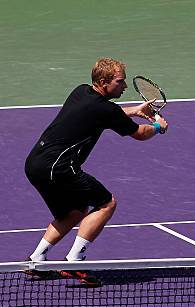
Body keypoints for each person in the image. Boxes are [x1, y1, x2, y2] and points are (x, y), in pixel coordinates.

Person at [24, 57, 168, 266]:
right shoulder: (105, 110)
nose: (125, 86)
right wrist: (157, 126)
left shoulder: (81, 91)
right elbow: (139, 133)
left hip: (35, 164)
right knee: (106, 203)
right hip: (59, 167)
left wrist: (135, 110)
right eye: (120, 81)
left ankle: (37, 258)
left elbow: (105, 114)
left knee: (73, 212)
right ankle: (75, 259)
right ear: (103, 81)